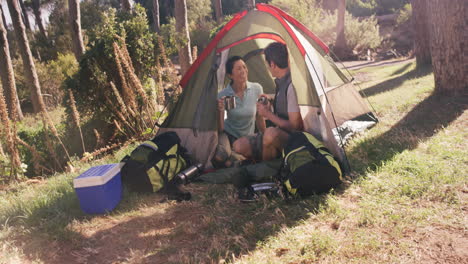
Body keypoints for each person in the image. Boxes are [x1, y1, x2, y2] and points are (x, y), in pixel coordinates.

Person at [233, 42, 303, 162]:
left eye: (267, 65)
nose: (267, 68)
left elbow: (295, 127)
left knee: (270, 133)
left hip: (294, 140)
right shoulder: (280, 82)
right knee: (238, 145)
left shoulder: (292, 86)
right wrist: (270, 102)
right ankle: (269, 159)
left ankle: (267, 171)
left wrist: (268, 115)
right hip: (278, 132)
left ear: (273, 64)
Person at [213, 56, 265, 168]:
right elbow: (221, 128)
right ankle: (233, 157)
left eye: (244, 67)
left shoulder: (256, 89)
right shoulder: (223, 94)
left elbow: (259, 117)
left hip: (247, 138)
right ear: (230, 75)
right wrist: (220, 111)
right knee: (220, 156)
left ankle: (233, 159)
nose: (244, 71)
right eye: (239, 69)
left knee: (238, 157)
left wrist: (265, 136)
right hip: (229, 134)